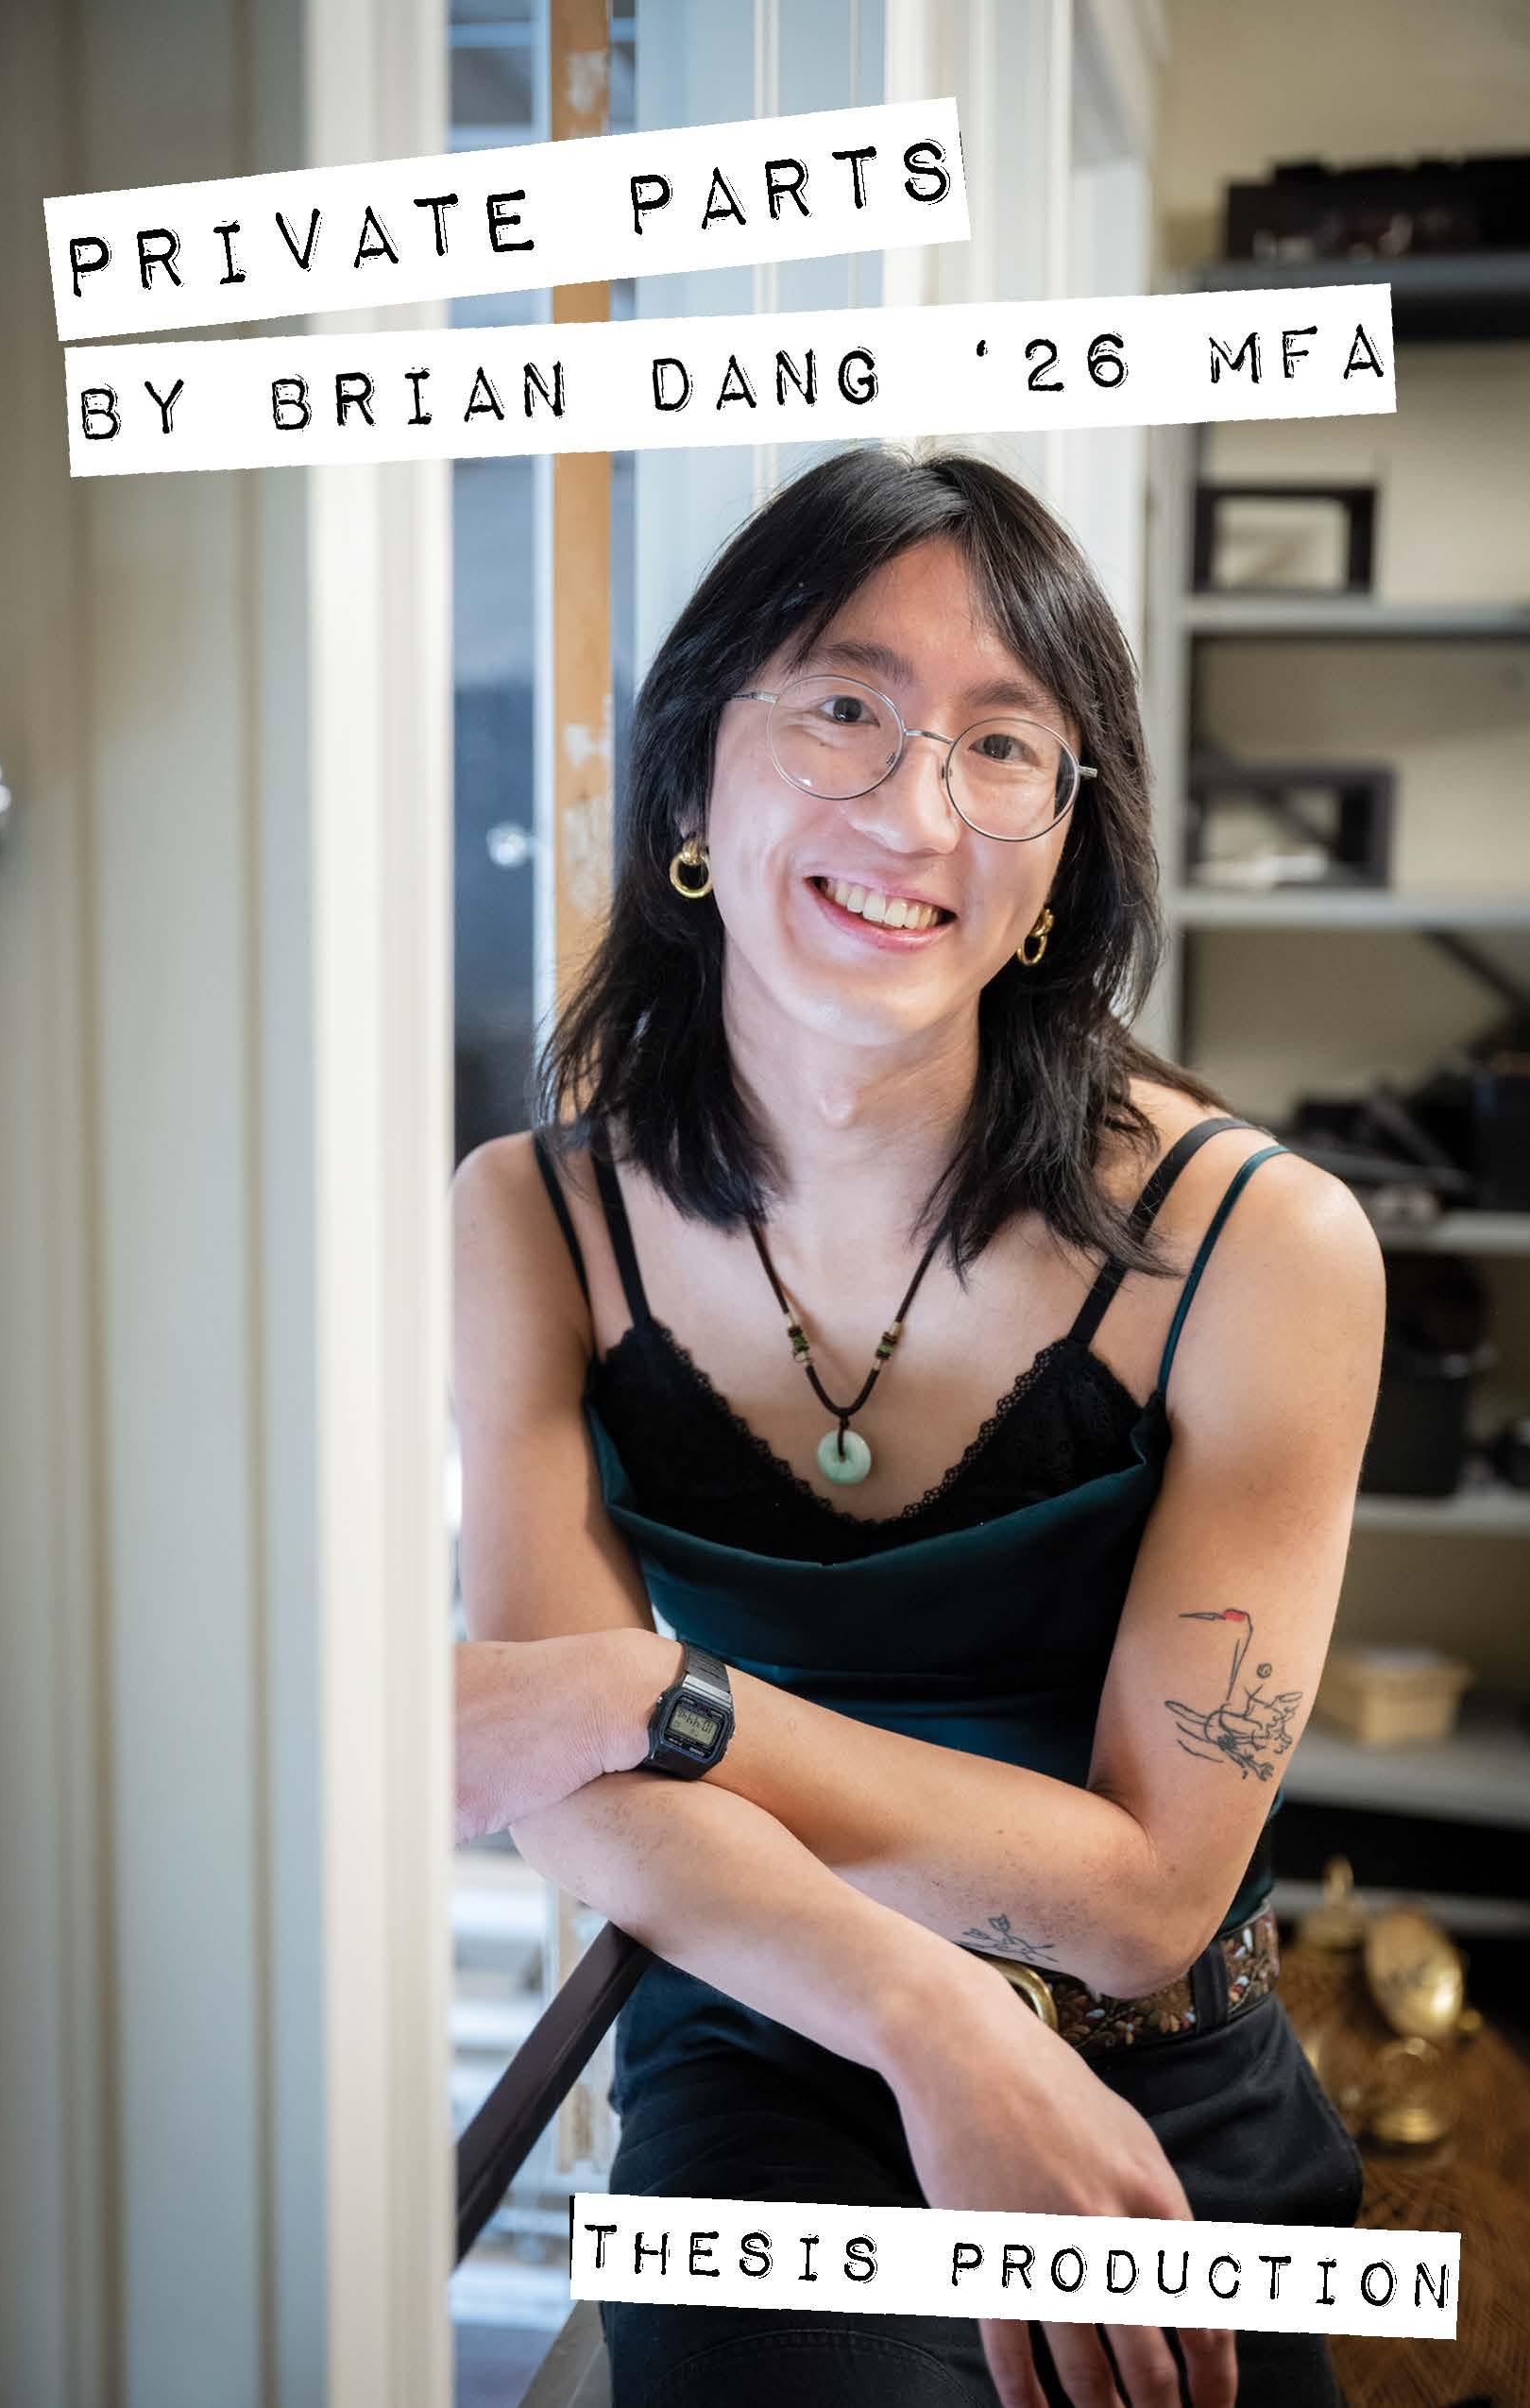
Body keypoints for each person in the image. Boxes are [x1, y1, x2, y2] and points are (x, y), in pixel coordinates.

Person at [451, 445, 1385, 2408]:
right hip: (766, 2041)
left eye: (1003, 744)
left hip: (1170, 2075)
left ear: (1061, 856)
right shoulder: (532, 1220)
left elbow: (1145, 1899)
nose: (915, 809)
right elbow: (553, 1776)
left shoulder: (1262, 1247)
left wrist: (657, 1696)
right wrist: (930, 2020)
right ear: (693, 777)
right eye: (844, 710)